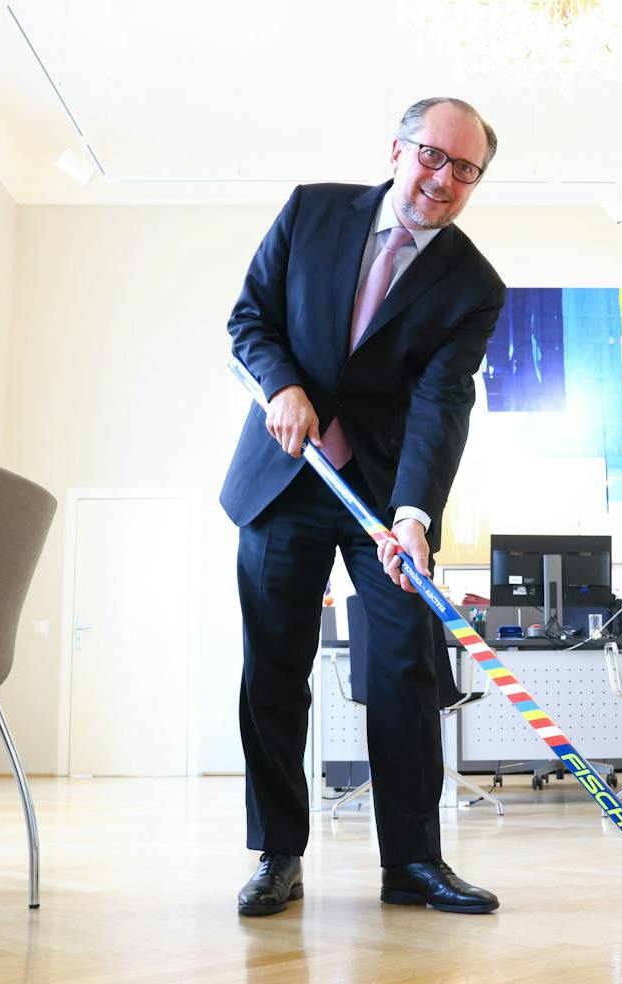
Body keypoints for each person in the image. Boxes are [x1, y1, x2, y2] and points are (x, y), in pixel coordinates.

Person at [221, 98, 507, 917]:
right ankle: (279, 854)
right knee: (274, 669)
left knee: (406, 671)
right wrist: (282, 385)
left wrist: (414, 515)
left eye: (465, 169)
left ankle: (412, 863)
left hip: (380, 502)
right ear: (397, 149)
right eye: (432, 156)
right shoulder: (313, 210)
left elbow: (441, 402)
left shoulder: (474, 285)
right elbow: (250, 319)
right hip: (283, 476)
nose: (442, 178)